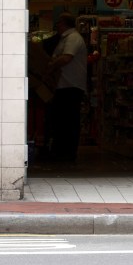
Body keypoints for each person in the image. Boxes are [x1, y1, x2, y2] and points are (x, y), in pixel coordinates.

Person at [47, 12, 88, 162]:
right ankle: (62, 150)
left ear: (64, 23)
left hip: (71, 86)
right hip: (64, 85)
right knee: (62, 120)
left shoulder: (73, 38)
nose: (57, 26)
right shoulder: (66, 38)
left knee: (69, 120)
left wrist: (51, 65)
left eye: (58, 23)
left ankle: (69, 153)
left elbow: (66, 58)